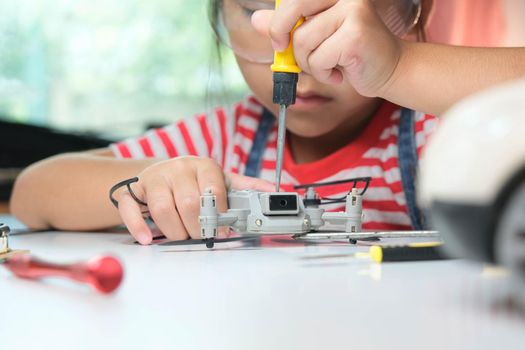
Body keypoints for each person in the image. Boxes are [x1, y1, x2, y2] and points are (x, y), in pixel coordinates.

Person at [10, 0, 525, 245]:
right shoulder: (224, 140)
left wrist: (400, 68)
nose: (293, 57)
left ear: (407, 13)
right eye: (259, 9)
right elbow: (35, 190)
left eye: (329, 16)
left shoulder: (435, 130)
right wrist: (154, 184)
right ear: (219, 17)